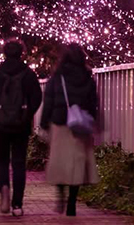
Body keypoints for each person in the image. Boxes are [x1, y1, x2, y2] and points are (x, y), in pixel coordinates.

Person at [40, 42, 100, 217]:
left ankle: (60, 195)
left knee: (59, 163)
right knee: (77, 165)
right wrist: (91, 120)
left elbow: (49, 102)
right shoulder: (87, 78)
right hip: (80, 126)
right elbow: (93, 104)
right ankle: (72, 202)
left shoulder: (57, 78)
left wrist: (44, 123)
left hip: (60, 124)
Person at [0, 39, 43, 217]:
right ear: (21, 53)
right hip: (21, 126)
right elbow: (36, 98)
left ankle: (3, 187)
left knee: (2, 160)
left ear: (4, 53)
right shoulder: (28, 74)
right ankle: (17, 205)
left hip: (1, 125)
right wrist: (27, 115)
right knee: (18, 164)